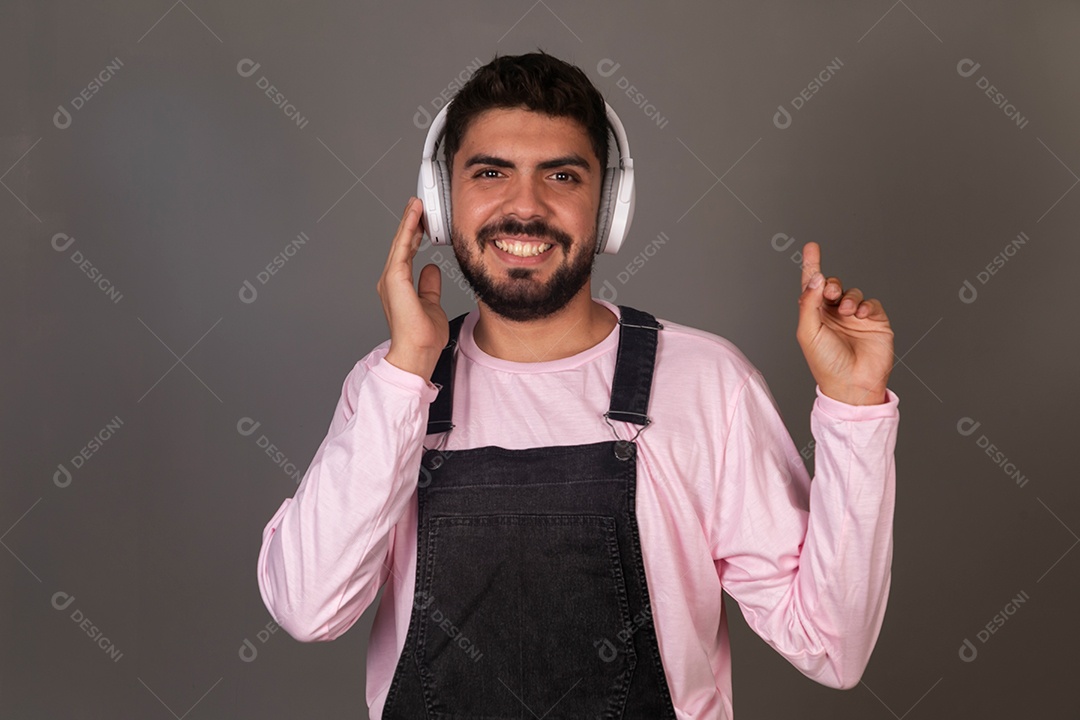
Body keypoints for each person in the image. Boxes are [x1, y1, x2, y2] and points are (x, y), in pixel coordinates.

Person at [256, 52, 899, 719]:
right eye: (490, 173)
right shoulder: (391, 386)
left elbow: (832, 647)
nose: (525, 207)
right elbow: (307, 608)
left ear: (609, 204)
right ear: (444, 204)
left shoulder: (708, 384)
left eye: (561, 175)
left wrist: (854, 413)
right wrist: (405, 373)